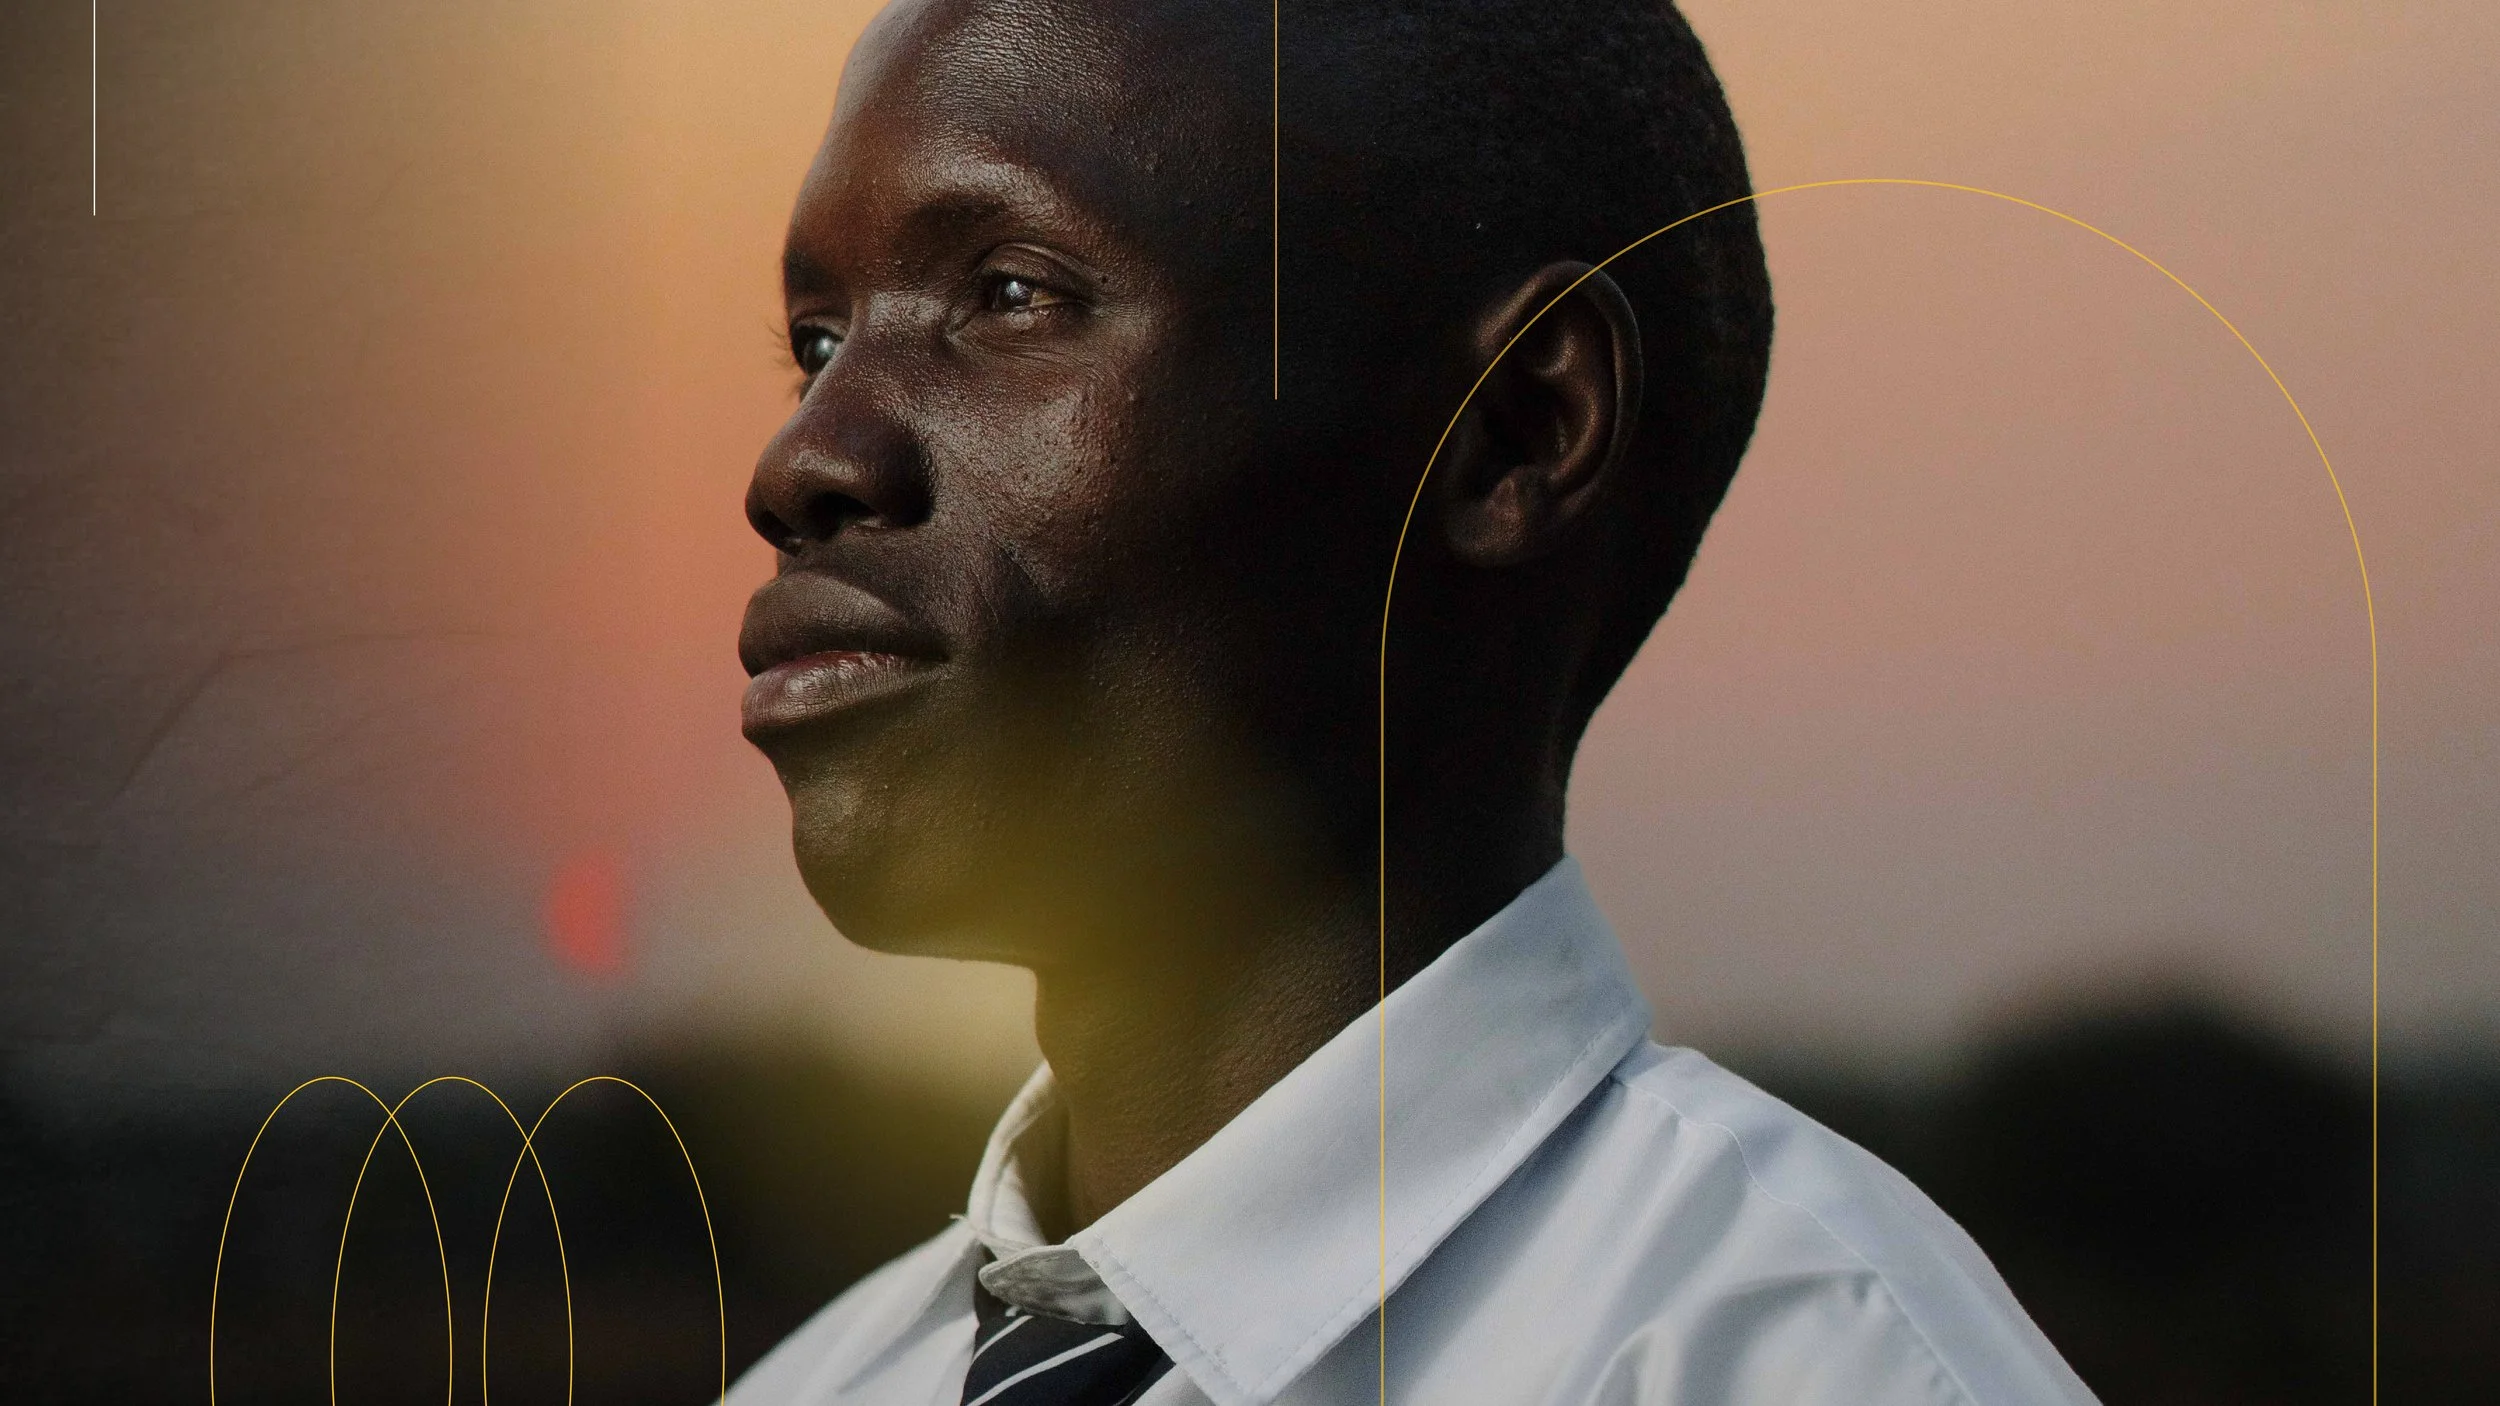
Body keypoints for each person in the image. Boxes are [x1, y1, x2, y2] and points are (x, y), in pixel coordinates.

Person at [728, 0, 2096, 1402]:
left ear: (1514, 431)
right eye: (820, 342)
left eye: (1013, 293)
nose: (804, 459)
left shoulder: (1812, 1366)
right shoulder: (819, 1386)